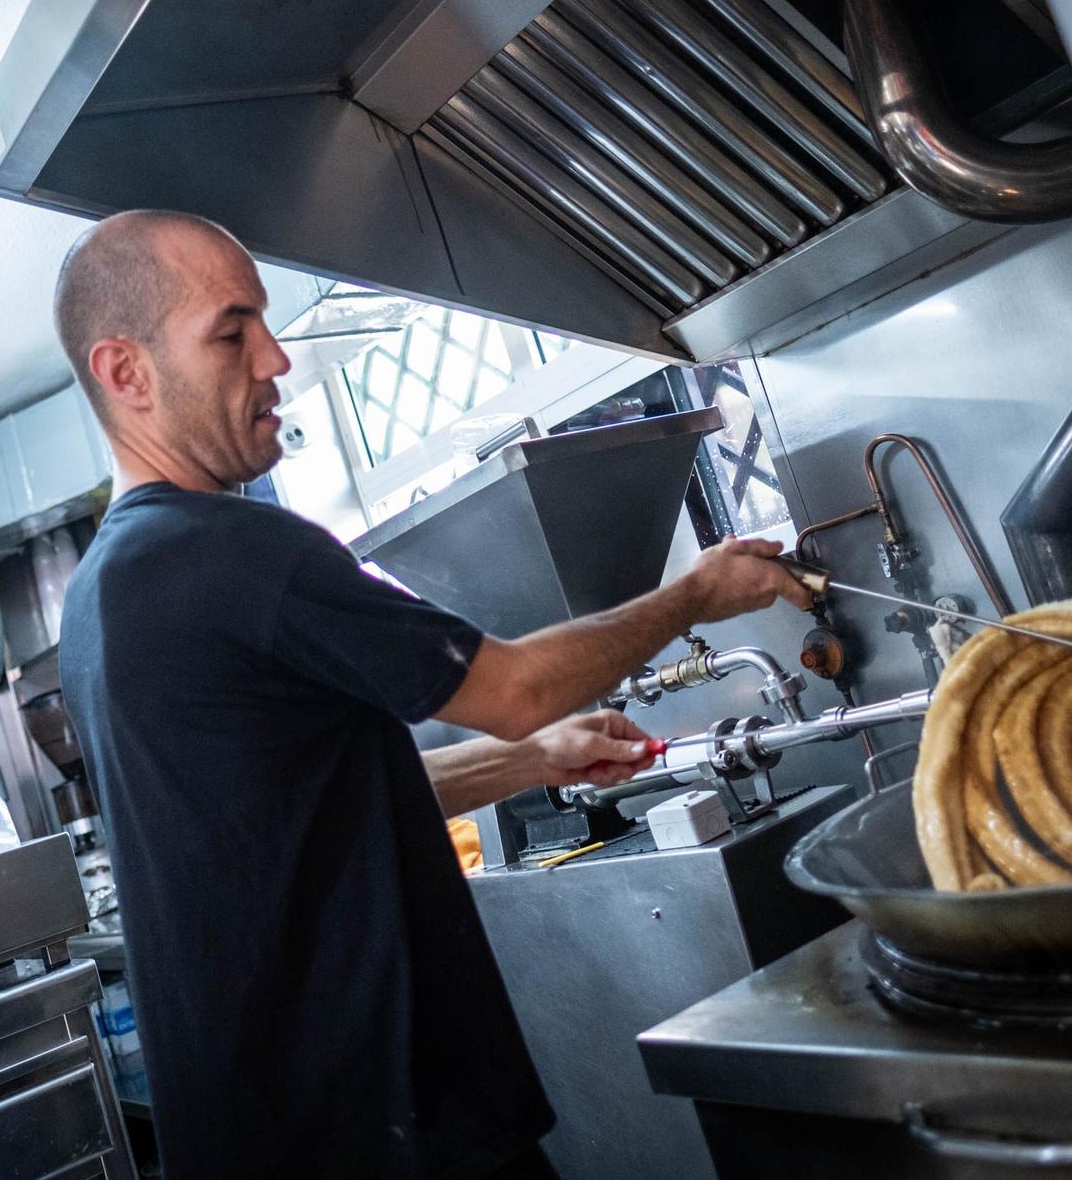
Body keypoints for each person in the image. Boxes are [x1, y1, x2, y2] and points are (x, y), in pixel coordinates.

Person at [53, 210, 812, 1179]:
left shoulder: (97, 601)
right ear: (126, 373)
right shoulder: (234, 552)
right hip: (382, 1126)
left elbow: (307, 805)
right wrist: (695, 592)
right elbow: (516, 687)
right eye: (231, 331)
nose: (275, 358)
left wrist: (537, 761)